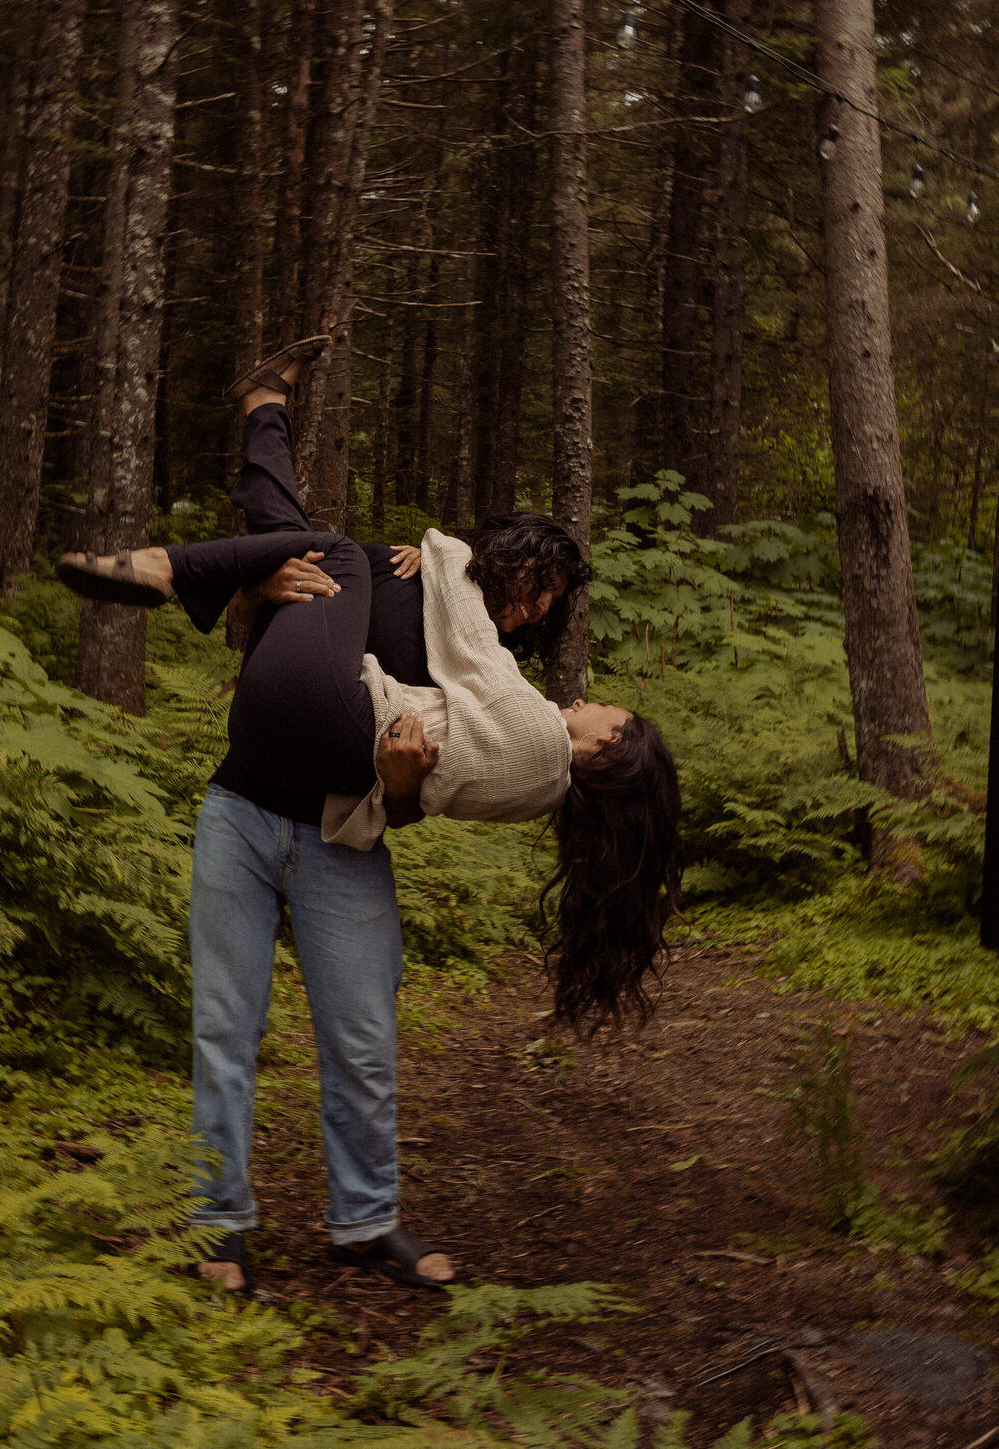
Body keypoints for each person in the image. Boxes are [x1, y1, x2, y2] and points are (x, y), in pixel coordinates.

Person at [59, 341, 681, 1296]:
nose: (534, 606)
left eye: (549, 603)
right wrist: (265, 583)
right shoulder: (410, 582)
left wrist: (395, 782)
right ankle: (219, 1223)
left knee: (361, 1038)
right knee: (225, 1027)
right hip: (241, 805)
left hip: (339, 838)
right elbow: (301, 612)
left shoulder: (492, 681)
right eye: (533, 581)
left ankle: (364, 1220)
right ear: (504, 560)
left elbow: (427, 793)